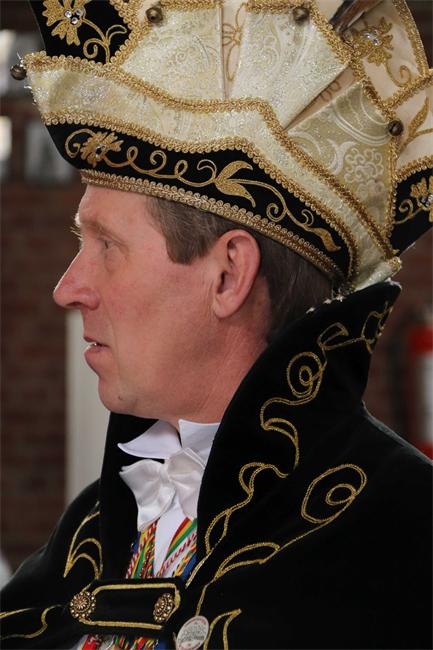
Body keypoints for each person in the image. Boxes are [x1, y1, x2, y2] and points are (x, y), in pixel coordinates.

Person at [1, 0, 432, 648]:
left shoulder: (402, 536)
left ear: (228, 275)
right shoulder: (96, 525)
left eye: (107, 245)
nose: (69, 289)